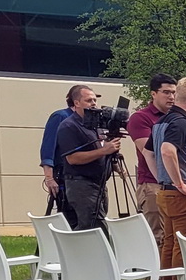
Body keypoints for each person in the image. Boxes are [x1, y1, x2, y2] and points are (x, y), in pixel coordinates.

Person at [151, 76, 186, 276]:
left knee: (170, 241)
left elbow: (149, 152)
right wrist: (180, 183)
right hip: (185, 195)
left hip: (166, 191)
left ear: (176, 96)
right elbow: (167, 151)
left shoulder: (161, 122)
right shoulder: (182, 123)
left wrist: (162, 177)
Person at [127, 73, 178, 270]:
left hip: (174, 183)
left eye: (173, 92)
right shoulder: (141, 118)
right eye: (166, 92)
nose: (171, 97)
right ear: (153, 93)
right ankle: (155, 277)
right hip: (152, 183)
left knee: (173, 236)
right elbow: (150, 151)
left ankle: (170, 277)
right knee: (157, 235)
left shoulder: (177, 117)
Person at [54, 84, 122, 230]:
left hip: (99, 184)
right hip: (81, 184)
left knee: (95, 224)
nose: (93, 104)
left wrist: (114, 165)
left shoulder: (95, 125)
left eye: (94, 100)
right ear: (77, 103)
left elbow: (100, 149)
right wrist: (104, 151)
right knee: (94, 226)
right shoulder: (69, 126)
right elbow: (72, 158)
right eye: (89, 100)